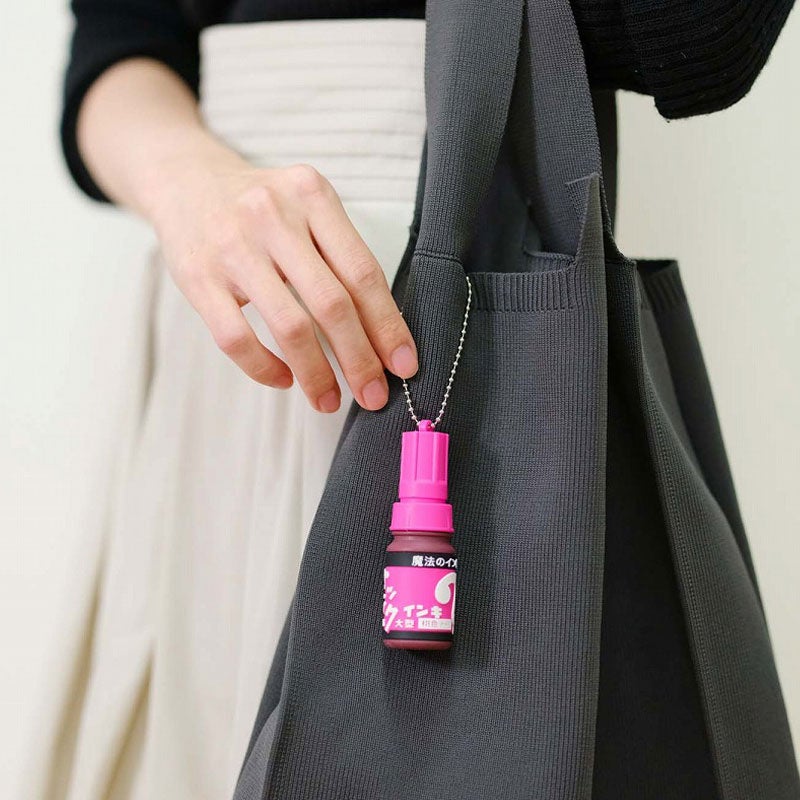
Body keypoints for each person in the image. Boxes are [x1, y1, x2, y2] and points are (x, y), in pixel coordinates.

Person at [26, 2, 794, 800]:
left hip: (479, 319)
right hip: (229, 349)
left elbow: (705, 37)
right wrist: (189, 185)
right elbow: (120, 43)